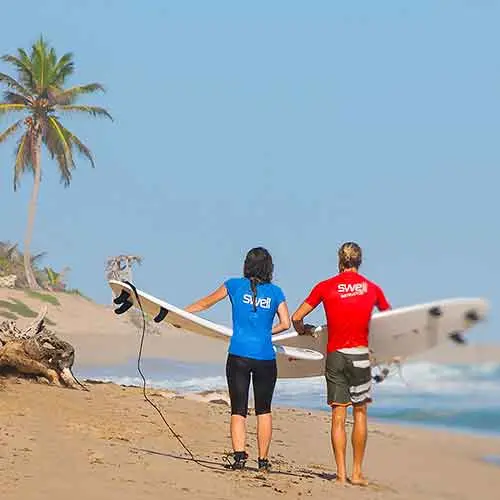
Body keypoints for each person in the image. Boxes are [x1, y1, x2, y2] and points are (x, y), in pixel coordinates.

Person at [291, 242, 390, 486]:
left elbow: (296, 317)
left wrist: (303, 330)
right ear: (360, 261)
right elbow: (390, 322)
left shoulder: (325, 287)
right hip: (359, 355)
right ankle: (357, 473)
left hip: (335, 355)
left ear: (339, 261)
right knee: (360, 414)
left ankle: (340, 474)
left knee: (337, 416)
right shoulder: (371, 288)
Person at [185, 247, 290, 471]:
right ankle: (263, 462)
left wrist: (180, 314)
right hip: (265, 357)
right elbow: (286, 323)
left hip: (238, 356)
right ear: (269, 268)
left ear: (246, 265)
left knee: (238, 409)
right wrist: (266, 333)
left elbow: (205, 303)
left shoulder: (233, 285)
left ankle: (239, 458)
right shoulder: (275, 292)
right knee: (264, 410)